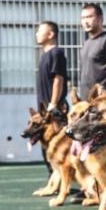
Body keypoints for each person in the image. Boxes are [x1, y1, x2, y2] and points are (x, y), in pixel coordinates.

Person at [35, 20, 68, 175]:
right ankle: (52, 181)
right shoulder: (45, 55)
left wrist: (53, 103)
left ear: (50, 34)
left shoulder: (56, 53)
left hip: (53, 111)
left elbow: (58, 79)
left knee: (58, 147)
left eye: (40, 31)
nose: (36, 34)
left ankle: (62, 183)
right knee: (46, 146)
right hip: (45, 111)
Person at [79, 3, 106, 99]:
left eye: (89, 17)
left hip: (101, 99)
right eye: (83, 18)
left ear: (100, 19)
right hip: (85, 99)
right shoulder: (86, 44)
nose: (86, 21)